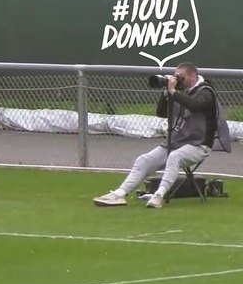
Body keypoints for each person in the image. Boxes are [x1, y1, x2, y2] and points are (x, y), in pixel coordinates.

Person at [93, 61, 225, 209]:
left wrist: (174, 92)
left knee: (175, 157)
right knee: (143, 160)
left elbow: (195, 105)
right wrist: (166, 92)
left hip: (199, 146)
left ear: (193, 76)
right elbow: (161, 113)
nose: (178, 79)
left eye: (181, 76)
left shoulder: (206, 92)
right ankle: (119, 194)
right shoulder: (180, 92)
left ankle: (158, 195)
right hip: (176, 143)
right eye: (176, 76)